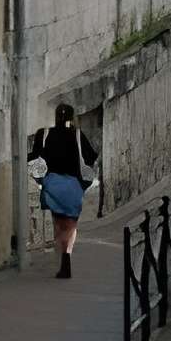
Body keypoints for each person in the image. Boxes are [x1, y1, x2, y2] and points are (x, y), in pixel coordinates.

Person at [29, 103, 99, 277]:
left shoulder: (43, 134)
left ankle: (60, 258)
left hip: (52, 183)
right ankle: (66, 256)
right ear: (71, 117)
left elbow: (33, 157)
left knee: (58, 222)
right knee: (70, 225)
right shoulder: (76, 134)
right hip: (73, 185)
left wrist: (41, 179)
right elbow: (90, 157)